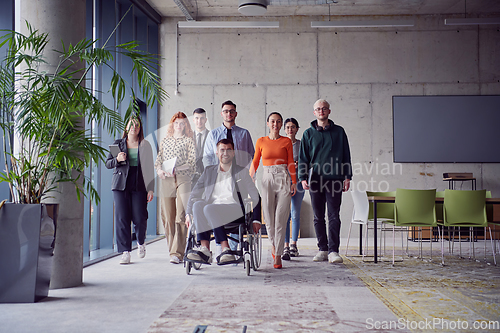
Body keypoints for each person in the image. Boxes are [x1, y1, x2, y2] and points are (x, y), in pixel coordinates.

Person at [185, 139, 260, 264]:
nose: (225, 153)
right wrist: (188, 212)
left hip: (234, 211)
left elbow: (256, 196)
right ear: (217, 153)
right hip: (211, 211)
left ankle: (226, 249)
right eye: (222, 150)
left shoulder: (241, 172)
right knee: (198, 205)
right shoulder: (209, 171)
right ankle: (205, 249)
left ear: (233, 153)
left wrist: (256, 219)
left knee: (209, 208)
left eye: (228, 150)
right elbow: (194, 193)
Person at [202, 100, 262, 253]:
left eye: (232, 111)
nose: (229, 114)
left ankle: (231, 247)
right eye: (226, 111)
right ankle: (219, 247)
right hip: (218, 179)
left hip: (239, 178)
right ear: (222, 113)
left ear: (236, 113)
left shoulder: (244, 133)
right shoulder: (213, 134)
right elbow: (208, 158)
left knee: (237, 205)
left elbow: (251, 156)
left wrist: (248, 175)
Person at [298, 99, 352, 264]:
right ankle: (322, 248)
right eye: (318, 109)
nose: (321, 111)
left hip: (335, 178)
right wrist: (302, 177)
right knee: (318, 216)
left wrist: (347, 176)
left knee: (334, 215)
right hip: (316, 179)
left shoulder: (339, 132)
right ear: (314, 112)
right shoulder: (308, 134)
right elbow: (303, 159)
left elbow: (346, 155)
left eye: (324, 108)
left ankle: (333, 251)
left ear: (329, 111)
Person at [250, 112, 296, 269]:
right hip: (267, 177)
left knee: (281, 217)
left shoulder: (286, 141)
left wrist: (294, 182)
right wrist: (251, 177)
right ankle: (274, 245)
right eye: (272, 121)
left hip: (283, 177)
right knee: (268, 217)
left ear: (281, 124)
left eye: (278, 121)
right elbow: (256, 161)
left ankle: (278, 254)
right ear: (268, 123)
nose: (275, 124)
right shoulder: (261, 141)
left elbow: (290, 162)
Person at [105, 116, 154, 265]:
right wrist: (117, 160)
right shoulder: (117, 144)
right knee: (122, 218)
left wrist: (150, 189)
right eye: (131, 125)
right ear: (126, 128)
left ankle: (140, 241)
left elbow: (149, 169)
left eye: (137, 125)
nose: (134, 127)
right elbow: (108, 163)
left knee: (140, 217)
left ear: (140, 128)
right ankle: (125, 252)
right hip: (120, 185)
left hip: (139, 184)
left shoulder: (145, 145)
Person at [155, 112, 196, 264]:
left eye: (182, 123)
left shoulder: (189, 141)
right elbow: (158, 160)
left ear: (186, 125)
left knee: (181, 214)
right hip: (166, 179)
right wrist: (159, 170)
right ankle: (172, 249)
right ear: (172, 124)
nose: (179, 126)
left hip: (183, 178)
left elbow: (192, 164)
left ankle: (177, 253)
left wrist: (177, 169)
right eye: (176, 123)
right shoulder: (165, 141)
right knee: (167, 216)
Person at [282, 118, 304, 260]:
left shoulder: (302, 145)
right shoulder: (281, 143)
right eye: (288, 127)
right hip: (283, 182)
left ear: (297, 129)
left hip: (299, 182)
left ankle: (293, 245)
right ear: (285, 129)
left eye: (293, 127)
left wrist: (299, 165)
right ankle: (285, 245)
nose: (290, 129)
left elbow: (309, 162)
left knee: (295, 213)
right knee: (285, 215)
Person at [192, 108, 210, 188]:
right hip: (191, 178)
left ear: (206, 120)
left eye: (202, 118)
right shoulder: (188, 137)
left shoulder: (211, 136)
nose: (199, 121)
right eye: (197, 118)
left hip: (207, 176)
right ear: (193, 120)